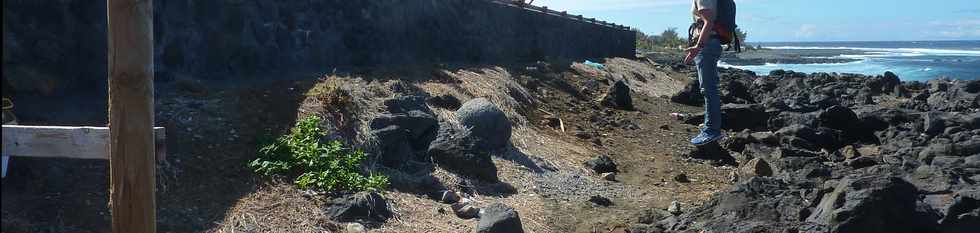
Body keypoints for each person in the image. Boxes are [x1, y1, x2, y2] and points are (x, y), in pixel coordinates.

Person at [685, 0, 724, 145]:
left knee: (708, 89)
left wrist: (698, 47)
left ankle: (711, 130)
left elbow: (709, 21)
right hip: (710, 44)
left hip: (706, 45)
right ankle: (711, 126)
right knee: (709, 88)